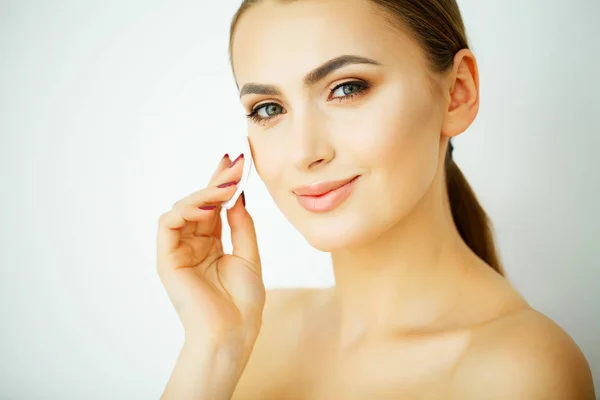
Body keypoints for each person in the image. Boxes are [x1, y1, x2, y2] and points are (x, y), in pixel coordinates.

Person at [156, 0, 595, 398]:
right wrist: (213, 349)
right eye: (268, 109)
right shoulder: (255, 328)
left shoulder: (521, 372)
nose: (304, 152)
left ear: (457, 92)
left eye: (347, 88)